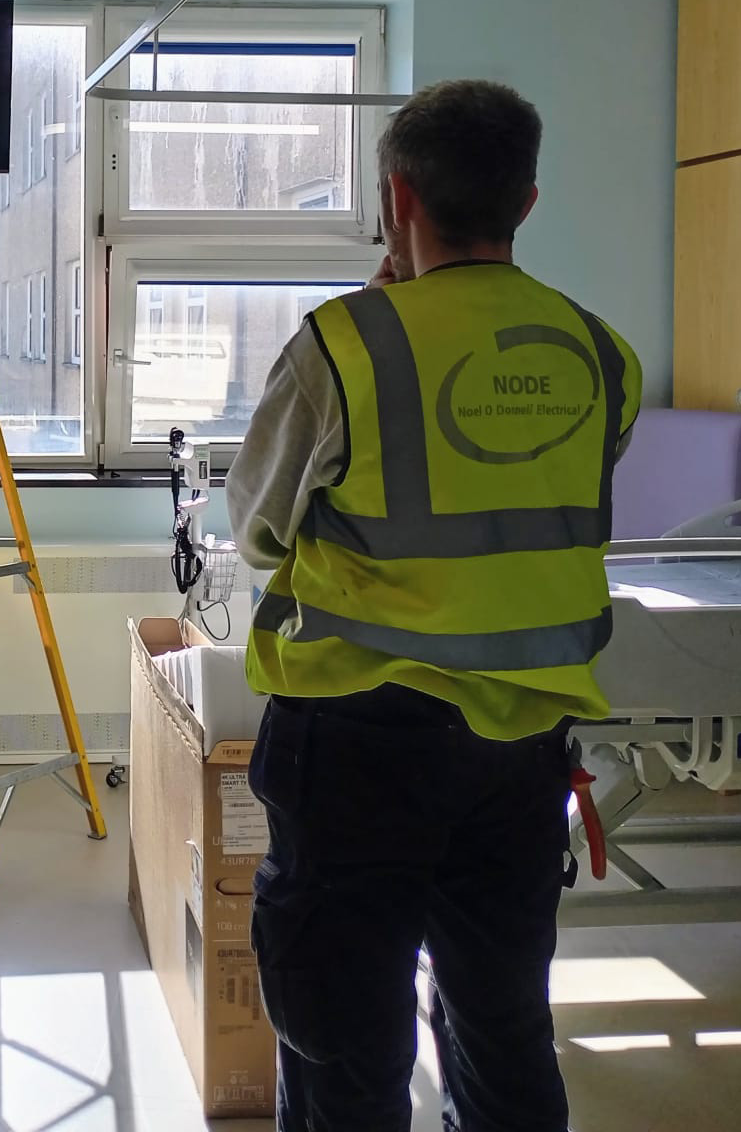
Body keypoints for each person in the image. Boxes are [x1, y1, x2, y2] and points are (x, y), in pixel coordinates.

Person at [229, 79, 640, 1132]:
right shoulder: (600, 354)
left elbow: (259, 532)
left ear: (396, 197)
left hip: (360, 750)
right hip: (520, 753)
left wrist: (389, 305)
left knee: (345, 1047)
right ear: (527, 202)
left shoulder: (344, 347)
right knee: (502, 1026)